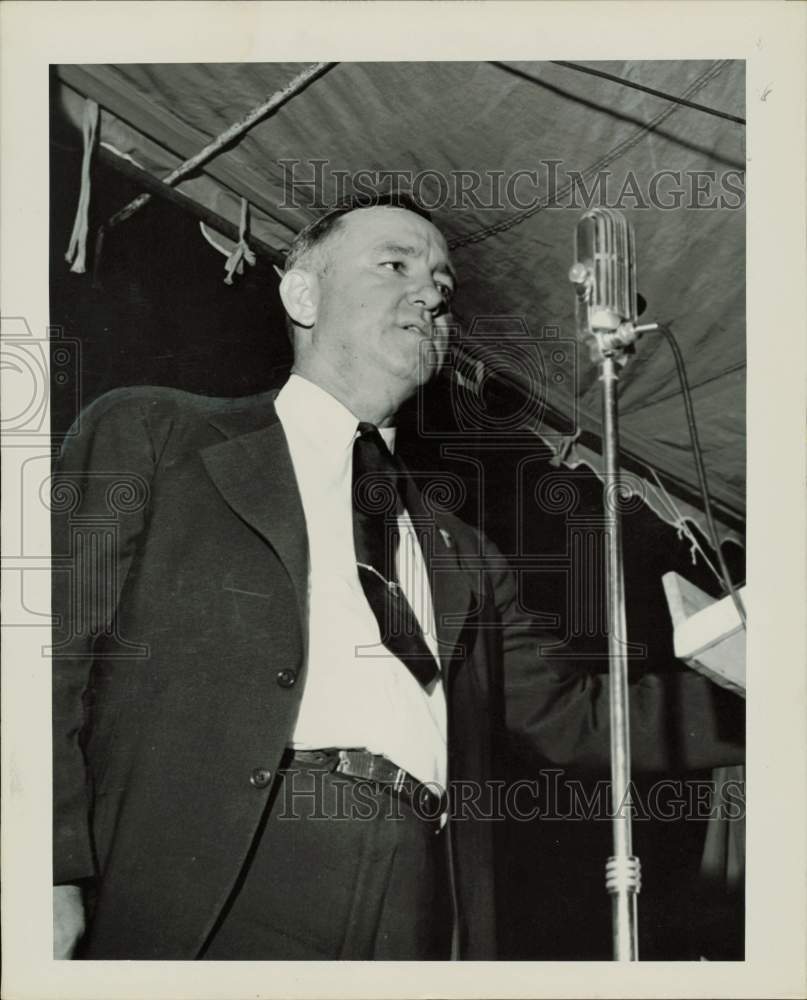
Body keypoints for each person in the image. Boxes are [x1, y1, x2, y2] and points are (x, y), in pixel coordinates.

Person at [52, 194, 744, 960]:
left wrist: (770, 687)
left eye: (443, 286)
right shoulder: (156, 433)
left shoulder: (463, 552)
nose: (432, 294)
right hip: (220, 867)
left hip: (416, 892)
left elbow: (577, 718)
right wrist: (44, 869)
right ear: (302, 293)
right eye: (395, 266)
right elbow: (45, 655)